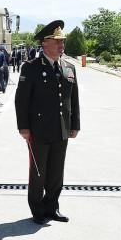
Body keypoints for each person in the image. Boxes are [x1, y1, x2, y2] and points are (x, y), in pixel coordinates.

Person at [16, 20, 80, 225]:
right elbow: (22, 100)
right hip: (39, 130)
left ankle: (52, 207)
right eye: (57, 42)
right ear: (45, 43)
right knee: (38, 172)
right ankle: (37, 209)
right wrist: (23, 127)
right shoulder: (31, 68)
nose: (62, 45)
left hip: (62, 128)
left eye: (63, 42)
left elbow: (74, 98)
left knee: (56, 173)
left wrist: (75, 124)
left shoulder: (69, 68)